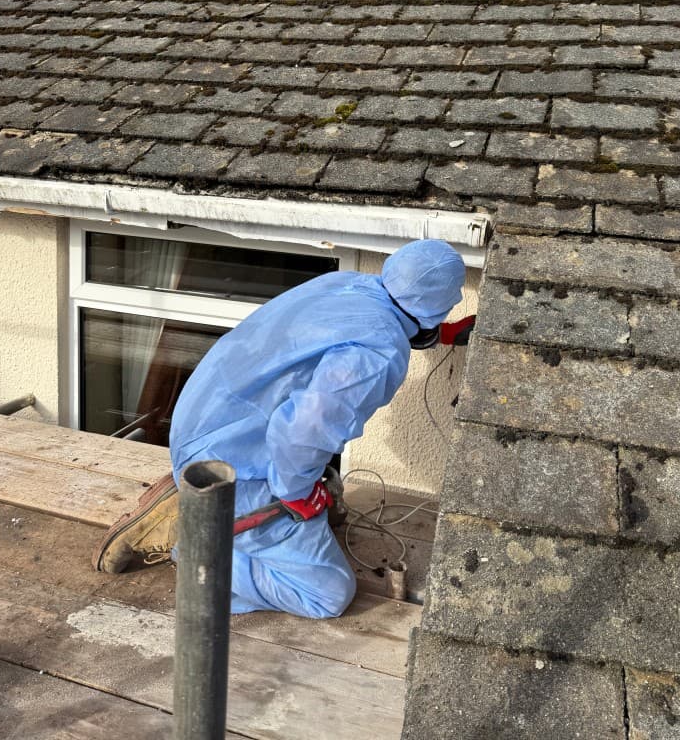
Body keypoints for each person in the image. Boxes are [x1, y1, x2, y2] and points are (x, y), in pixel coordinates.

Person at [92, 239, 466, 619]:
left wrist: (443, 332)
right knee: (328, 594)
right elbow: (306, 428)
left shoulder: (348, 285)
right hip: (241, 468)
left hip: (202, 422)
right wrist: (296, 494)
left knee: (324, 491)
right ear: (435, 309)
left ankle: (203, 493)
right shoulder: (377, 354)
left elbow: (364, 327)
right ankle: (197, 547)